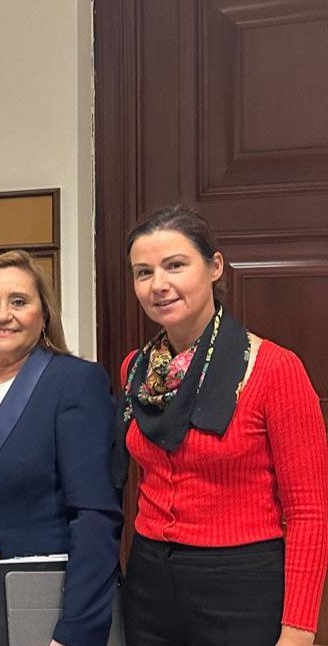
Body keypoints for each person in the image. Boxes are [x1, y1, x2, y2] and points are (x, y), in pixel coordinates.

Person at [116, 206, 328, 646]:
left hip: (241, 587)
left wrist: (299, 630)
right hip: (149, 581)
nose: (159, 285)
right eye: (143, 272)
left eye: (175, 265)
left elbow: (309, 513)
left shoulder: (273, 369)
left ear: (214, 267)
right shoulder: (136, 371)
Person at [0, 250, 121, 646]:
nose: (2, 315)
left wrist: (77, 629)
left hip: (40, 600)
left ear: (43, 314)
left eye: (19, 301)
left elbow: (95, 515)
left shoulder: (74, 382)